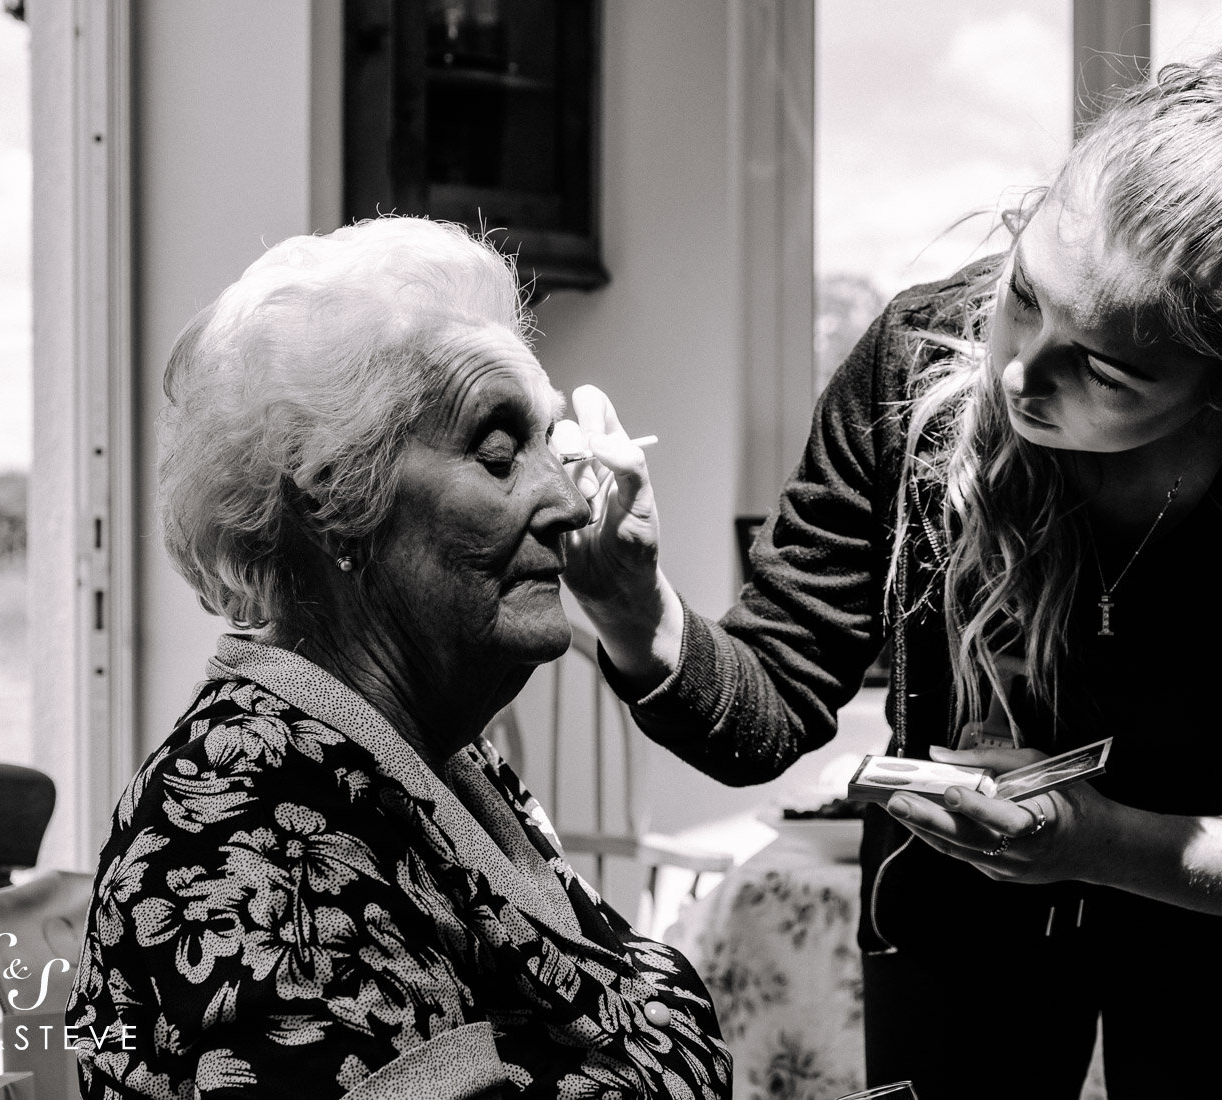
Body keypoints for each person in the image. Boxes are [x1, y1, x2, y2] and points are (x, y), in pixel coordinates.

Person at [558, 27, 1222, 1099]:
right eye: (1026, 293)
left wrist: (1098, 841)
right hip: (960, 957)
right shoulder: (913, 358)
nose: (1021, 373)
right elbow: (770, 709)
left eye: (1108, 371)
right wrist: (631, 604)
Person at [66, 218, 733, 1099]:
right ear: (337, 504)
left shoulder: (443, 756)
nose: (570, 502)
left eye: (555, 451)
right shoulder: (252, 840)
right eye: (500, 454)